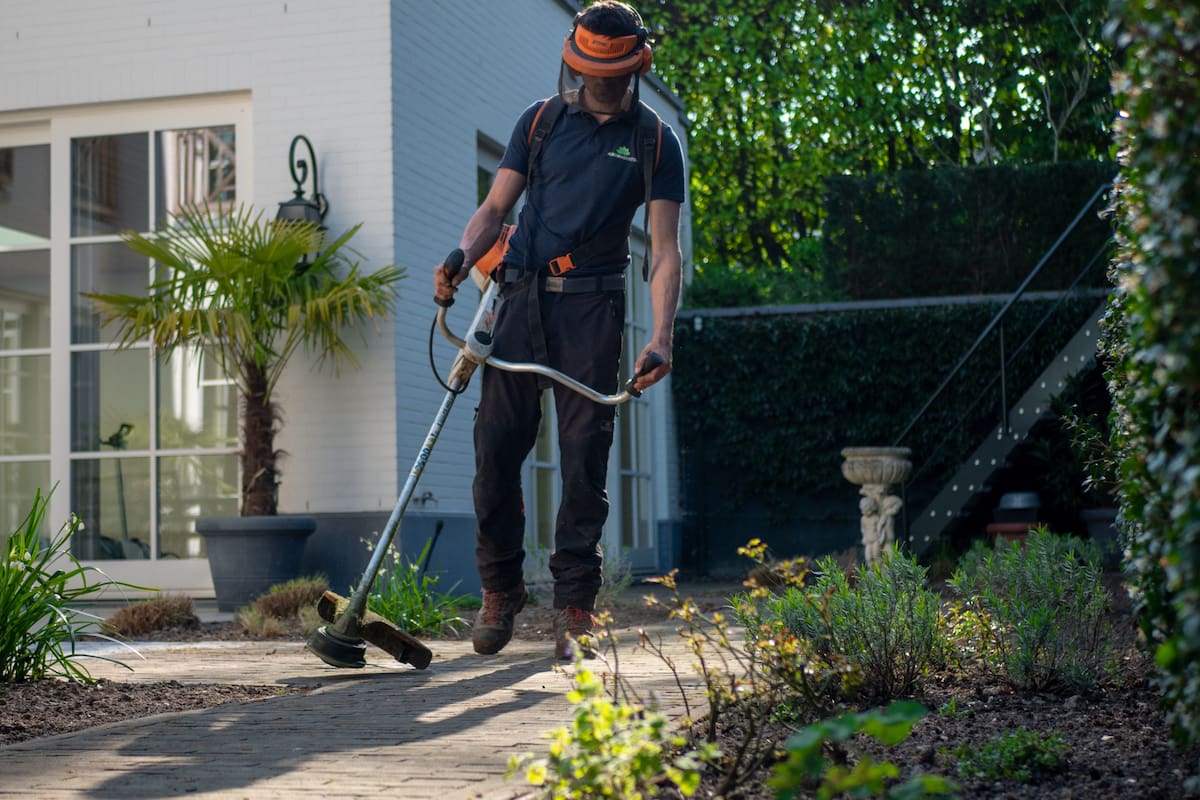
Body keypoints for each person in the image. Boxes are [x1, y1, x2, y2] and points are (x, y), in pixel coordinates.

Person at [433, 0, 685, 660]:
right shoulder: (540, 122)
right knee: (494, 454)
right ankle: (500, 590)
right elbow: (495, 208)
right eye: (585, 70)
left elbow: (664, 250)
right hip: (516, 301)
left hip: (591, 312)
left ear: (633, 69)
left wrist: (661, 336)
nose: (595, 82)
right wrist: (461, 256)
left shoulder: (656, 141)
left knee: (583, 463)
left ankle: (574, 608)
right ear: (573, 64)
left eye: (608, 74)